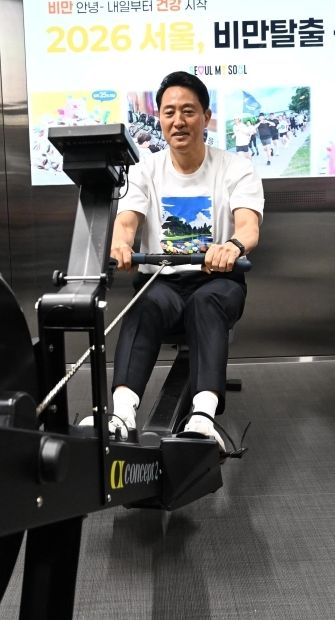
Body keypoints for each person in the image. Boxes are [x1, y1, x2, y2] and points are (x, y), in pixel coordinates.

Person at [80, 71, 264, 452]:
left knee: (206, 303)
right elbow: (126, 224)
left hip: (217, 280)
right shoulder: (145, 170)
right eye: (169, 112)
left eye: (188, 111)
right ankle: (121, 414)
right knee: (144, 304)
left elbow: (248, 226)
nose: (178, 121)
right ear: (160, 118)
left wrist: (232, 246)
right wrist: (120, 246)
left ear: (206, 117)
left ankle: (203, 418)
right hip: (161, 281)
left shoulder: (236, 168)